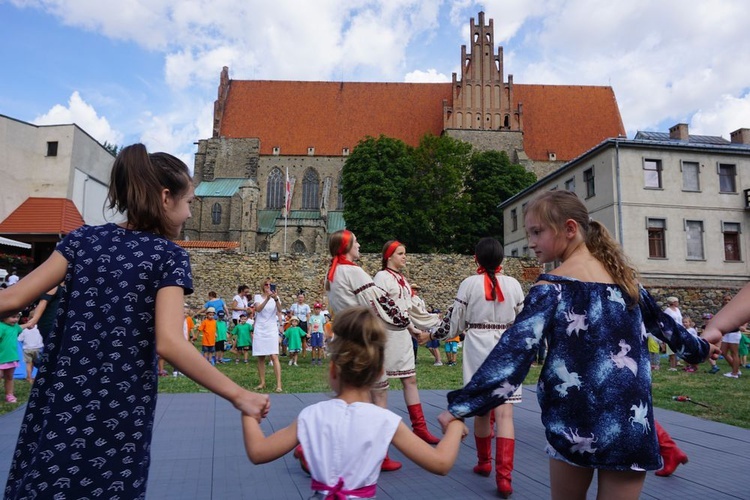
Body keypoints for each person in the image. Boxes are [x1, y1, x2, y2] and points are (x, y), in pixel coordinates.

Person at [0, 143, 269, 499]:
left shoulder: (82, 240)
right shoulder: (168, 257)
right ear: (165, 197)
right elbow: (169, 342)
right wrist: (240, 395)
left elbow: (12, 299)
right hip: (118, 404)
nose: (190, 214)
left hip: (60, 399)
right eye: (188, 202)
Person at [438, 191, 719, 500]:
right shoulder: (628, 284)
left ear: (569, 229)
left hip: (575, 424)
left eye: (537, 231)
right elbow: (670, 331)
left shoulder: (551, 289)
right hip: (629, 427)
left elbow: (512, 357)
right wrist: (702, 349)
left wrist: (459, 407)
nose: (530, 241)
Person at [242, 306, 468, 498]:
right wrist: (455, 427)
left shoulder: (312, 415)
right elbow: (441, 463)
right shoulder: (385, 421)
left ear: (333, 370)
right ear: (379, 371)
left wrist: (248, 412)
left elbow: (258, 452)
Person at [322, 229, 430, 472]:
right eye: (356, 242)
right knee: (377, 395)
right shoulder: (354, 272)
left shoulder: (333, 273)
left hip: (346, 338)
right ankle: (379, 455)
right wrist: (403, 324)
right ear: (346, 247)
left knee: (350, 397)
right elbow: (378, 303)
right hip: (363, 339)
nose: (359, 245)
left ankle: (317, 444)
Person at [429, 237, 525, 497]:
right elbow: (523, 320)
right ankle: (504, 478)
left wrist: (432, 334)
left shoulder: (468, 284)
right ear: (502, 260)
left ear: (476, 259)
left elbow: (454, 323)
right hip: (506, 348)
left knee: (482, 410)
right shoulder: (514, 284)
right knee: (505, 415)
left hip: (478, 346)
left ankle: (484, 463)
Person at [373, 240, 443, 448]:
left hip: (402, 335)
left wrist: (434, 322)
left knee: (410, 380)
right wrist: (407, 324)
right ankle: (380, 440)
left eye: (405, 253)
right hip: (386, 336)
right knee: (380, 386)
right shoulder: (381, 277)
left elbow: (409, 309)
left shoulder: (402, 280)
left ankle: (420, 428)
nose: (405, 257)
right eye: (401, 253)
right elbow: (381, 306)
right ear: (389, 256)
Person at [253, 278, 283, 392]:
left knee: (274, 356)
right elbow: (258, 309)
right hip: (260, 328)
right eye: (266, 284)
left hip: (271, 328)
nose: (268, 286)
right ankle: (262, 382)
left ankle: (279, 384)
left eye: (270, 285)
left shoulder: (276, 298)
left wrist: (275, 299)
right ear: (263, 286)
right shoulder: (258, 297)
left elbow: (280, 310)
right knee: (261, 357)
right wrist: (267, 299)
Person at [413, 284, 442, 366]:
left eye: (416, 290)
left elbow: (422, 313)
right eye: (413, 289)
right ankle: (437, 359)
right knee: (429, 346)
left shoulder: (419, 301)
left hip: (430, 328)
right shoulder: (410, 299)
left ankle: (438, 360)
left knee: (433, 346)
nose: (414, 291)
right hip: (416, 325)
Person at [718, 294, 742, 378]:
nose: (727, 301)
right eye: (725, 299)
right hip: (726, 333)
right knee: (723, 352)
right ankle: (736, 369)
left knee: (734, 353)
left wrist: (743, 326)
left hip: (734, 333)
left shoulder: (735, 309)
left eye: (729, 299)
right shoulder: (722, 310)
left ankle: (734, 373)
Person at [0, 312, 21, 403]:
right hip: (1, 358)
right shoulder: (1, 326)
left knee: (9, 377)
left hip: (11, 357)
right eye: (13, 317)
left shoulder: (15, 327)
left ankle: (9, 395)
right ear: (3, 317)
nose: (16, 319)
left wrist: (29, 324)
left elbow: (21, 328)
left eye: (17, 317)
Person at [17, 316, 43, 383]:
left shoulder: (25, 330)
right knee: (39, 363)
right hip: (38, 348)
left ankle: (29, 377)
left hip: (27, 349)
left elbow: (19, 339)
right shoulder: (39, 328)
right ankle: (39, 376)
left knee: (28, 364)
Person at [663, 297, 683, 371]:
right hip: (671, 331)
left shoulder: (677, 310)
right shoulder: (667, 310)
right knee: (671, 348)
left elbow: (680, 320)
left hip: (679, 330)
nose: (678, 303)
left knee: (678, 347)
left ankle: (677, 362)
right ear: (673, 302)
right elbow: (665, 321)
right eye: (677, 301)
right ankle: (672, 365)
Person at [290, 293, 311, 358]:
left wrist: (307, 323)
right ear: (297, 298)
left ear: (304, 298)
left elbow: (308, 315)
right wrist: (293, 319)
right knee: (294, 337)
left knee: (303, 339)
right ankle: (293, 352)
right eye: (299, 297)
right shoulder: (294, 305)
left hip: (303, 322)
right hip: (295, 322)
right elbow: (290, 314)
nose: (300, 299)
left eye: (302, 297)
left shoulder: (306, 306)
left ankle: (303, 353)